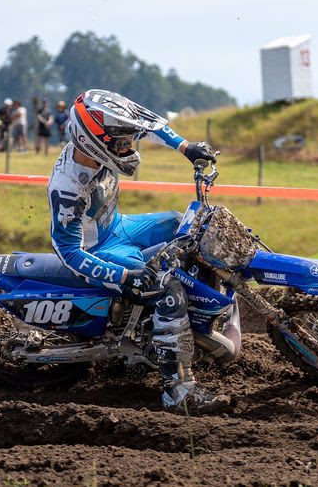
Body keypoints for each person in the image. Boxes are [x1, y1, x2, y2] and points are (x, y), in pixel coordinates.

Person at [47, 89, 226, 414]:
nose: (130, 147)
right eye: (123, 144)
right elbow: (69, 252)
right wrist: (126, 275)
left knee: (181, 224)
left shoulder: (100, 140)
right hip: (98, 251)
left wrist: (186, 147)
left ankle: (196, 322)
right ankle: (178, 393)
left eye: (130, 141)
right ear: (94, 141)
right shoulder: (69, 188)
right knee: (167, 291)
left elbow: (148, 120)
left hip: (117, 226)